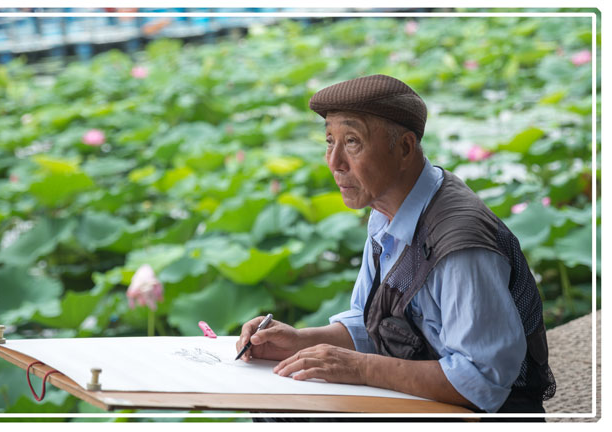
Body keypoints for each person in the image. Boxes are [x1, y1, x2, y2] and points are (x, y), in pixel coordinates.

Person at [237, 74, 555, 415]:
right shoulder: (388, 212)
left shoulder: (461, 245)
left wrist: (359, 367)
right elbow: (370, 321)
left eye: (353, 142)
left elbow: (481, 382)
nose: (334, 162)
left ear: (404, 148)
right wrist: (301, 340)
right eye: (330, 141)